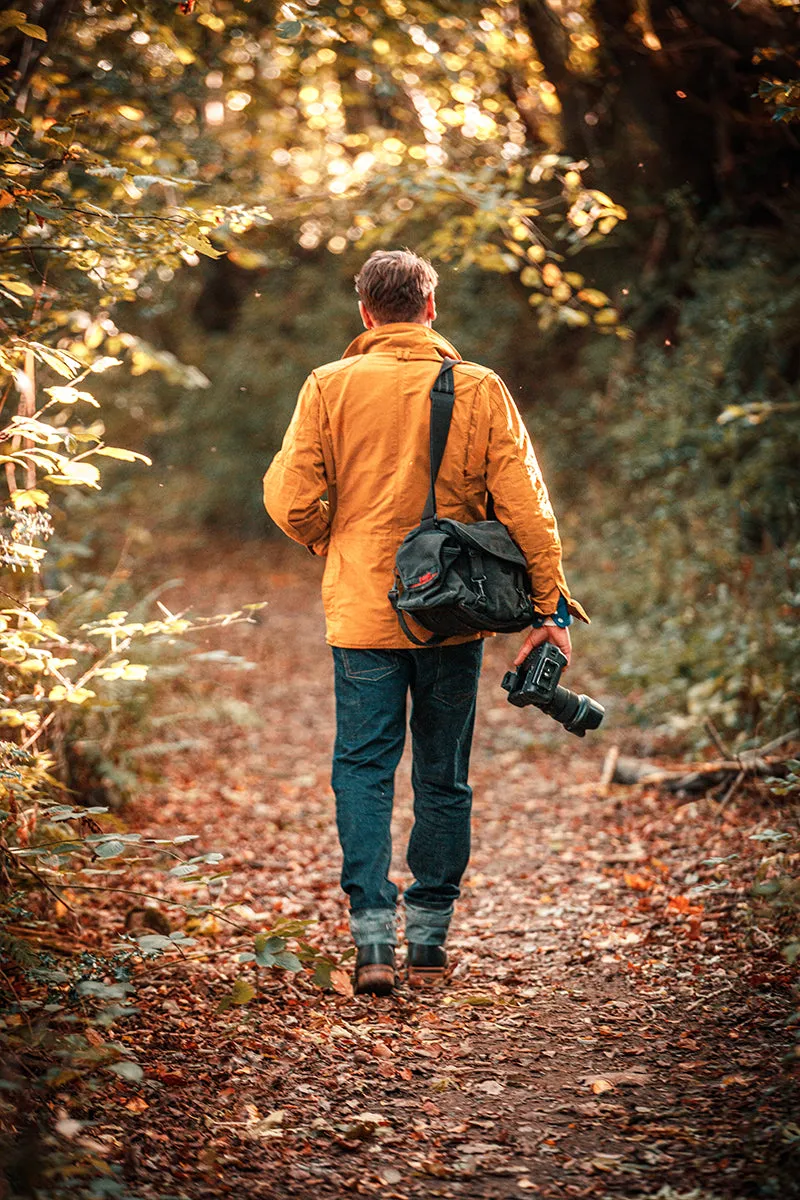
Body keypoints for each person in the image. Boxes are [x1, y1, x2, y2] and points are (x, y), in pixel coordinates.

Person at [263, 249, 587, 996]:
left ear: (366, 314)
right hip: (451, 614)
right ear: (431, 309)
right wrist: (550, 608)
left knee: (364, 768)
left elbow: (290, 499)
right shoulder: (476, 387)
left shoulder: (329, 385)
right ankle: (430, 936)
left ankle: (372, 937)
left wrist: (330, 539)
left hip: (361, 611)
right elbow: (527, 508)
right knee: (443, 774)